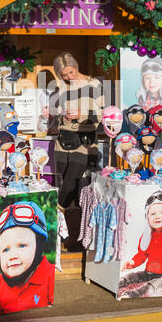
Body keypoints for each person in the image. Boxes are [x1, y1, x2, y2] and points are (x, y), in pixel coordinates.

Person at [50, 52, 103, 211]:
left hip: (84, 140)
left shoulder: (93, 85)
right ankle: (69, 230)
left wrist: (82, 114)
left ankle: (55, 216)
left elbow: (101, 114)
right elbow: (59, 113)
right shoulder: (61, 87)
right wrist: (54, 116)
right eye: (64, 75)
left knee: (70, 184)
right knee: (70, 189)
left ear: (76, 66)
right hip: (63, 141)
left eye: (71, 72)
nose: (69, 77)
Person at [118, 190, 162, 298]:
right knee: (132, 276)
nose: (157, 216)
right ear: (147, 218)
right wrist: (132, 262)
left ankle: (134, 294)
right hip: (149, 272)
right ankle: (119, 284)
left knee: (152, 285)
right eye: (153, 214)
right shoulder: (147, 236)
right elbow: (142, 254)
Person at [0, 201, 55, 316]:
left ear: (38, 247)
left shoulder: (49, 275)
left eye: (22, 246)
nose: (12, 255)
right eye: (5, 249)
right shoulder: (1, 283)